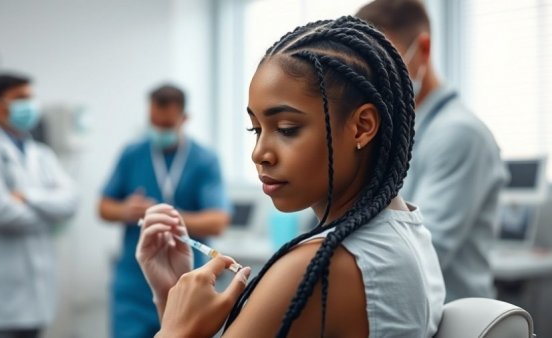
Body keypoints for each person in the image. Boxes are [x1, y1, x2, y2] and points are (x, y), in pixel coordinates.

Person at [136, 16, 445, 337]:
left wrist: (174, 331)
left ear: (363, 126)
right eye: (255, 129)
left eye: (286, 129)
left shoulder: (314, 270)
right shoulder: (409, 231)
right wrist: (172, 297)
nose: (259, 153)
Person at [356, 0, 509, 302]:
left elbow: (419, 256)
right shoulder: (390, 131)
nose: (374, 78)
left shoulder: (459, 134)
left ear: (423, 50)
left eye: (386, 61)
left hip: (454, 322)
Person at [98, 84, 230, 338]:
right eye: (154, 123)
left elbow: (218, 221)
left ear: (184, 118)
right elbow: (103, 207)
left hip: (185, 282)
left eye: (167, 125)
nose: (159, 130)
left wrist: (167, 217)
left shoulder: (204, 160)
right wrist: (126, 210)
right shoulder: (132, 154)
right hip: (133, 287)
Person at [0, 73, 78, 338]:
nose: (29, 105)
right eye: (20, 99)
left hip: (38, 296)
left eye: (30, 98)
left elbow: (71, 202)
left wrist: (26, 196)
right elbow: (1, 213)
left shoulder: (43, 155)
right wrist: (52, 212)